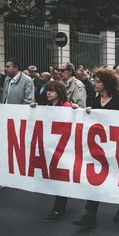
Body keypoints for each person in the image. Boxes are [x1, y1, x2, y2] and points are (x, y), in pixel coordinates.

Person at [73, 68, 119, 228]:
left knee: (117, 177)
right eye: (94, 80)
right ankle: (89, 214)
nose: (95, 83)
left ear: (107, 83)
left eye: (98, 81)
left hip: (114, 146)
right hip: (98, 147)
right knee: (95, 178)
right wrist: (85, 113)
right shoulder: (95, 100)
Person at [30, 81, 79, 220]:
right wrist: (33, 109)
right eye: (47, 90)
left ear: (59, 92)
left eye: (51, 90)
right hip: (51, 146)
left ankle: (59, 208)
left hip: (64, 147)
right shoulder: (47, 107)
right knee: (56, 176)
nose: (48, 93)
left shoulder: (66, 106)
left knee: (60, 177)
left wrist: (76, 110)